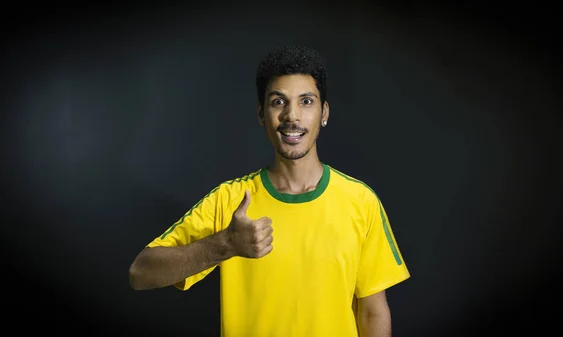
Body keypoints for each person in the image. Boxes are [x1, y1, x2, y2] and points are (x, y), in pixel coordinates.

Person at [128, 45, 410, 337]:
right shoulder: (231, 201)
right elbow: (140, 273)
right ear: (262, 114)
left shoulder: (360, 201)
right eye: (278, 102)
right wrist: (225, 244)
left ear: (324, 113)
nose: (292, 116)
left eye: (306, 102)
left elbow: (373, 311)